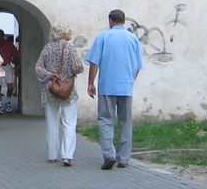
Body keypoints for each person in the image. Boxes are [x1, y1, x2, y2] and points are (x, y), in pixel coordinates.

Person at [86, 9, 143, 170]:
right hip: (126, 86)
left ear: (110, 20)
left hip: (107, 86)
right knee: (125, 121)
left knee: (105, 120)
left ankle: (109, 154)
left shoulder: (103, 37)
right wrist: (130, 80)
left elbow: (94, 62)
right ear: (123, 21)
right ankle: (124, 158)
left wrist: (91, 83)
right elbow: (138, 66)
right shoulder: (133, 39)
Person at [35, 22, 84, 166]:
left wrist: (51, 75)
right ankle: (67, 156)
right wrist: (72, 72)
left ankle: (52, 154)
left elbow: (38, 68)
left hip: (50, 89)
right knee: (69, 122)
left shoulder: (47, 48)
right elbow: (78, 67)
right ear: (63, 33)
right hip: (67, 91)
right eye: (69, 31)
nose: (70, 33)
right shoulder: (70, 48)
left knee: (52, 122)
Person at [0, 29, 19, 113]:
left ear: (3, 36)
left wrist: (16, 66)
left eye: (1, 35)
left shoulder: (10, 45)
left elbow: (16, 56)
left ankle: (8, 101)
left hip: (7, 66)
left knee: (10, 87)